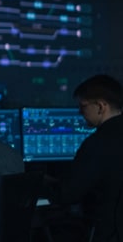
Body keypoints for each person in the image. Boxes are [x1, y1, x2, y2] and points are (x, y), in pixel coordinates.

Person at [44, 74, 123, 242]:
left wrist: (42, 184)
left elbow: (68, 195)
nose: (79, 111)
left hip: (108, 233)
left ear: (101, 106)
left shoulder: (98, 143)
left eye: (83, 106)